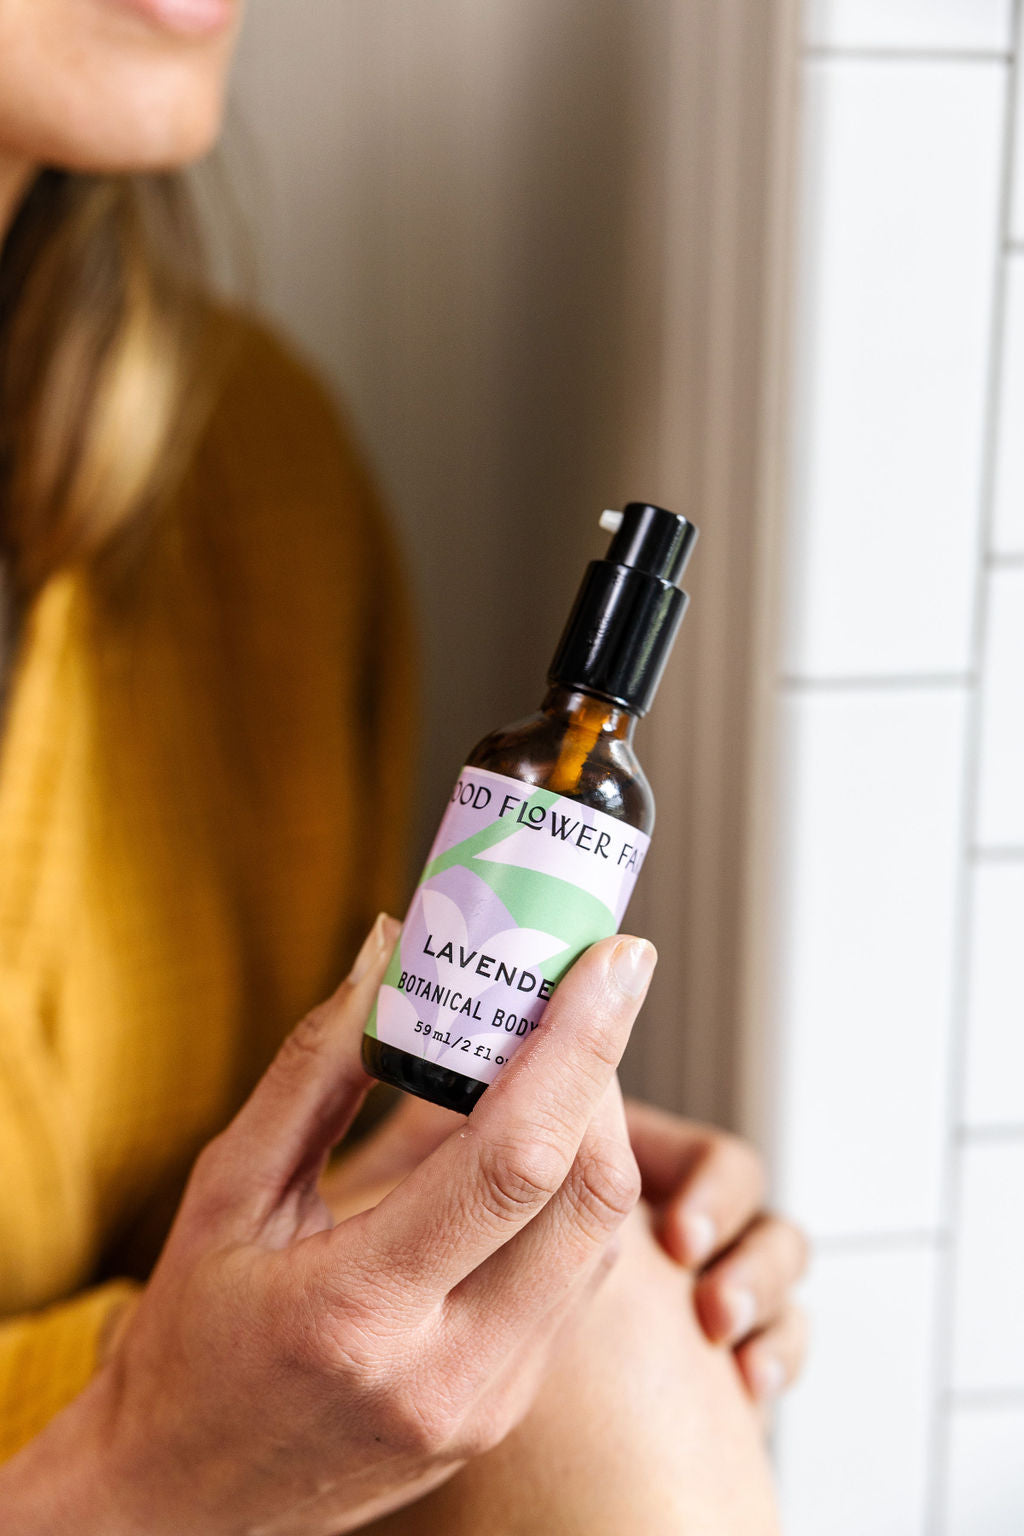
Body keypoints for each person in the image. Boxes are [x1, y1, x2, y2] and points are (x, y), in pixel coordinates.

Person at [0, 1, 807, 1530]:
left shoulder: (253, 491)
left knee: (606, 1328)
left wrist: (416, 1179)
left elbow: (276, 1174)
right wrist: (138, 1464)